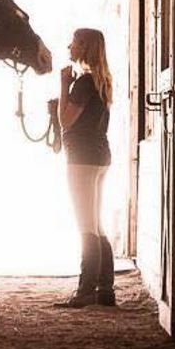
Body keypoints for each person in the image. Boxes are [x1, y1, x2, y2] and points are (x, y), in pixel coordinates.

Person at [53, 28, 115, 308]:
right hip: (100, 155)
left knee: (85, 224)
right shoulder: (101, 80)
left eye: (74, 42)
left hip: (81, 156)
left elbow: (65, 121)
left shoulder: (84, 82)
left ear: (85, 47)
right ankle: (105, 289)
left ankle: (85, 290)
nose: (69, 46)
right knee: (96, 223)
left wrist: (63, 86)